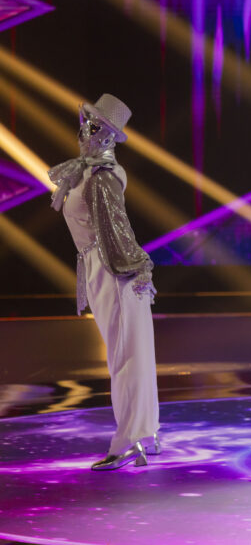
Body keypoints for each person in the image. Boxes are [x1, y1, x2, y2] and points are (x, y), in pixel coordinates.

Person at [49, 93, 161, 470]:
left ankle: (129, 441)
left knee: (127, 357)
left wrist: (137, 267)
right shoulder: (87, 172)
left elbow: (117, 228)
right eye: (86, 123)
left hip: (113, 268)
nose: (86, 131)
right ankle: (144, 434)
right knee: (128, 355)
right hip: (99, 265)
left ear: (110, 135)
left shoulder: (101, 176)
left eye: (96, 126)